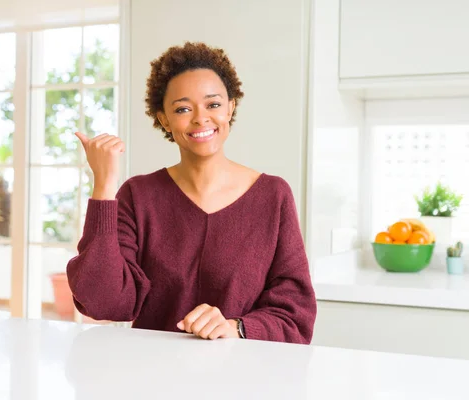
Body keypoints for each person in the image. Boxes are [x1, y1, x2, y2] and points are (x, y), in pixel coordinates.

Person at [67, 42, 317, 343]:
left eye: (213, 104)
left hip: (243, 380)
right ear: (164, 120)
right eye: (183, 109)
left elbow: (296, 315)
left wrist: (237, 327)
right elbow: (103, 302)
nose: (201, 118)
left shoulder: (273, 196)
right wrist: (104, 186)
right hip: (153, 378)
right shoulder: (138, 195)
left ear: (230, 108)